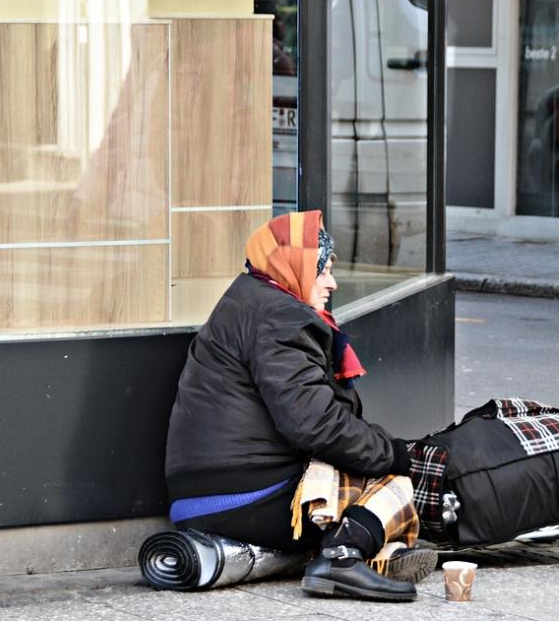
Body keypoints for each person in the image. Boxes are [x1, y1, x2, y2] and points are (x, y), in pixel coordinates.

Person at [165, 210, 435, 601]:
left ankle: (377, 555)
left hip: (209, 490)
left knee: (361, 473)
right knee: (393, 483)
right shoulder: (280, 316)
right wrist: (393, 453)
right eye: (322, 270)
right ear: (294, 266)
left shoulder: (252, 300)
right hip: (241, 496)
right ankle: (342, 559)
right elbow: (314, 424)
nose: (332, 282)